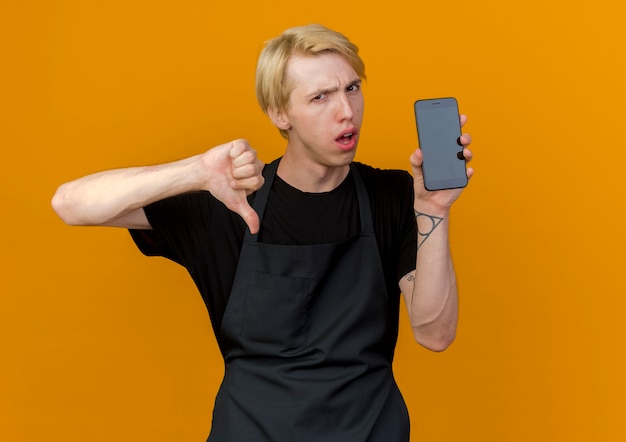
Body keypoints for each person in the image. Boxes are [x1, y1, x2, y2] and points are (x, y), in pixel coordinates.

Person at [52, 24, 473, 442]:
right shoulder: (228, 202)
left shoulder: (394, 196)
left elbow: (435, 333)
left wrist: (433, 209)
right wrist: (194, 172)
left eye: (352, 88)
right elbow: (70, 204)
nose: (346, 111)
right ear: (279, 114)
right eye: (320, 97)